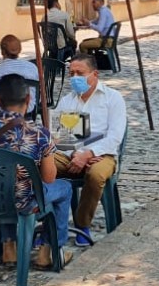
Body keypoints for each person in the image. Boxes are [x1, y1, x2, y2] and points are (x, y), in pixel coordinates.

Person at [0, 74, 73, 269]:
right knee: (65, 188)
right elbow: (49, 178)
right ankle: (48, 251)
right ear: (28, 100)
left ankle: (9, 246)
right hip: (24, 202)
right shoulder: (39, 134)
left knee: (2, 181)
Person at [53, 54, 126, 246]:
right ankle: (49, 226)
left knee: (95, 175)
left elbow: (115, 136)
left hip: (103, 154)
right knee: (42, 166)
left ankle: (82, 224)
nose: (75, 77)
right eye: (72, 73)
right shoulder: (68, 101)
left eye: (80, 73)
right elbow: (60, 138)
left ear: (94, 74)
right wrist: (75, 155)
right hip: (71, 153)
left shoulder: (112, 98)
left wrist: (89, 154)